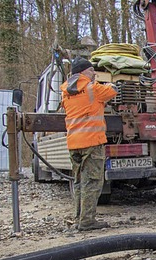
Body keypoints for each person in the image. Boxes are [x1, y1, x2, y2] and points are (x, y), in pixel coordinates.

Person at [61, 57, 117, 231]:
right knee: (92, 181)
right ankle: (87, 221)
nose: (94, 73)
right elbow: (112, 91)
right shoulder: (93, 87)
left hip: (74, 142)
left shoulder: (66, 91)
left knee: (78, 181)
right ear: (84, 72)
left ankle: (79, 218)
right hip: (92, 142)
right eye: (92, 70)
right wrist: (110, 84)